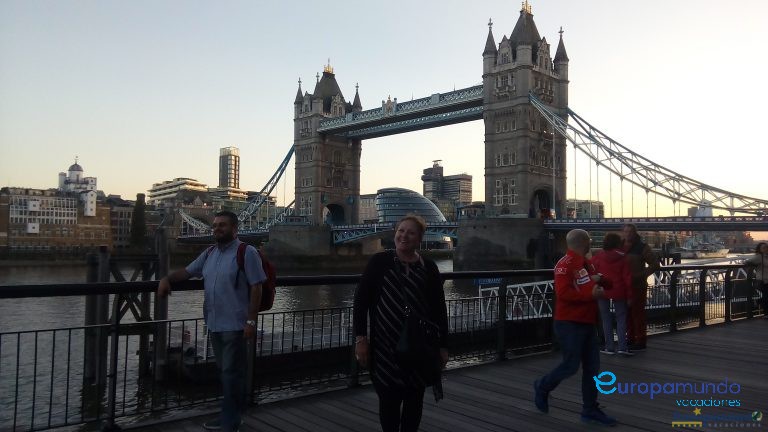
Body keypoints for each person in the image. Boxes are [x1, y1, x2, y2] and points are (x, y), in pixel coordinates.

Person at [157, 211, 266, 431]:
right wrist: (166, 278)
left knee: (230, 374)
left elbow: (257, 286)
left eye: (222, 225)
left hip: (236, 325)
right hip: (214, 324)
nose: (217, 228)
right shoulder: (209, 253)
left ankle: (230, 421)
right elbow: (187, 273)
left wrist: (251, 322)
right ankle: (229, 416)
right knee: (224, 373)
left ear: (235, 229)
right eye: (215, 225)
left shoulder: (247, 252)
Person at [353, 215, 449, 432]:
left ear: (420, 239)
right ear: (395, 233)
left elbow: (438, 310)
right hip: (385, 349)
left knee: (414, 404)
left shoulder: (430, 268)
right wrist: (361, 339)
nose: (404, 236)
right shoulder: (379, 262)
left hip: (419, 349)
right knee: (388, 405)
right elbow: (361, 302)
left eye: (411, 232)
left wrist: (443, 346)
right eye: (400, 231)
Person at [533, 229, 617, 426]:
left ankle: (589, 409)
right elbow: (563, 294)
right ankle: (543, 386)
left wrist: (602, 280)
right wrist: (591, 295)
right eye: (589, 241)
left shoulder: (585, 263)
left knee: (592, 368)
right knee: (571, 365)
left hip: (587, 322)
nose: (590, 244)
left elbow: (598, 283)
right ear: (585, 243)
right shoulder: (566, 265)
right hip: (569, 323)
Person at [591, 233, 633, 356]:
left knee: (605, 318)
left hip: (602, 290)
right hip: (619, 290)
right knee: (621, 318)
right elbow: (628, 279)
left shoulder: (598, 256)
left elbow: (592, 270)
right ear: (617, 243)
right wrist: (630, 295)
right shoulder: (624, 257)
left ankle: (609, 347)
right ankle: (622, 347)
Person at [622, 223, 659, 351]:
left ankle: (641, 340)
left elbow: (655, 264)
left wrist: (640, 276)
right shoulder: (620, 247)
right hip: (624, 286)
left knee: (638, 314)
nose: (628, 234)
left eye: (630, 232)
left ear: (634, 233)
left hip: (638, 285)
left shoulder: (643, 247)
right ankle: (630, 338)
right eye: (625, 232)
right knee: (626, 314)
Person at [743, 242, 768, 317]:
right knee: (766, 296)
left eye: (766, 247)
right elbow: (748, 261)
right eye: (763, 248)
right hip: (763, 280)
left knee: (766, 296)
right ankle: (766, 313)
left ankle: (758, 301)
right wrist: (746, 263)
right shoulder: (759, 257)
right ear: (759, 249)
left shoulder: (767, 256)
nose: (765, 249)